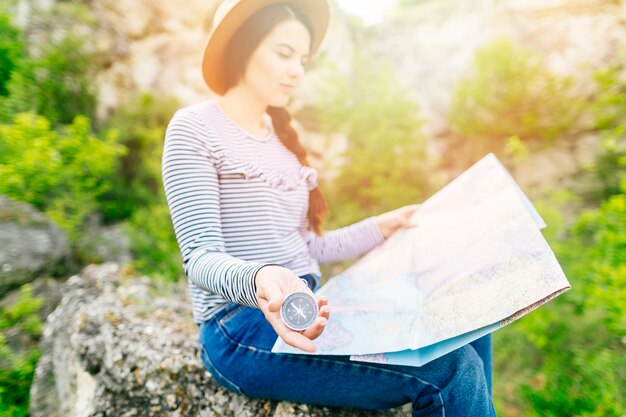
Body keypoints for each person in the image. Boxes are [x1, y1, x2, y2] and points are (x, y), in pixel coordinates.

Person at [161, 1, 496, 415]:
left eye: (303, 60)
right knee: (449, 368)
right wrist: (261, 279)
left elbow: (307, 248)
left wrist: (381, 227)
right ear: (242, 48)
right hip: (240, 328)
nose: (297, 70)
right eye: (284, 54)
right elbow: (199, 258)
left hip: (308, 304)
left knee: (463, 318)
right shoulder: (194, 128)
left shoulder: (284, 143)